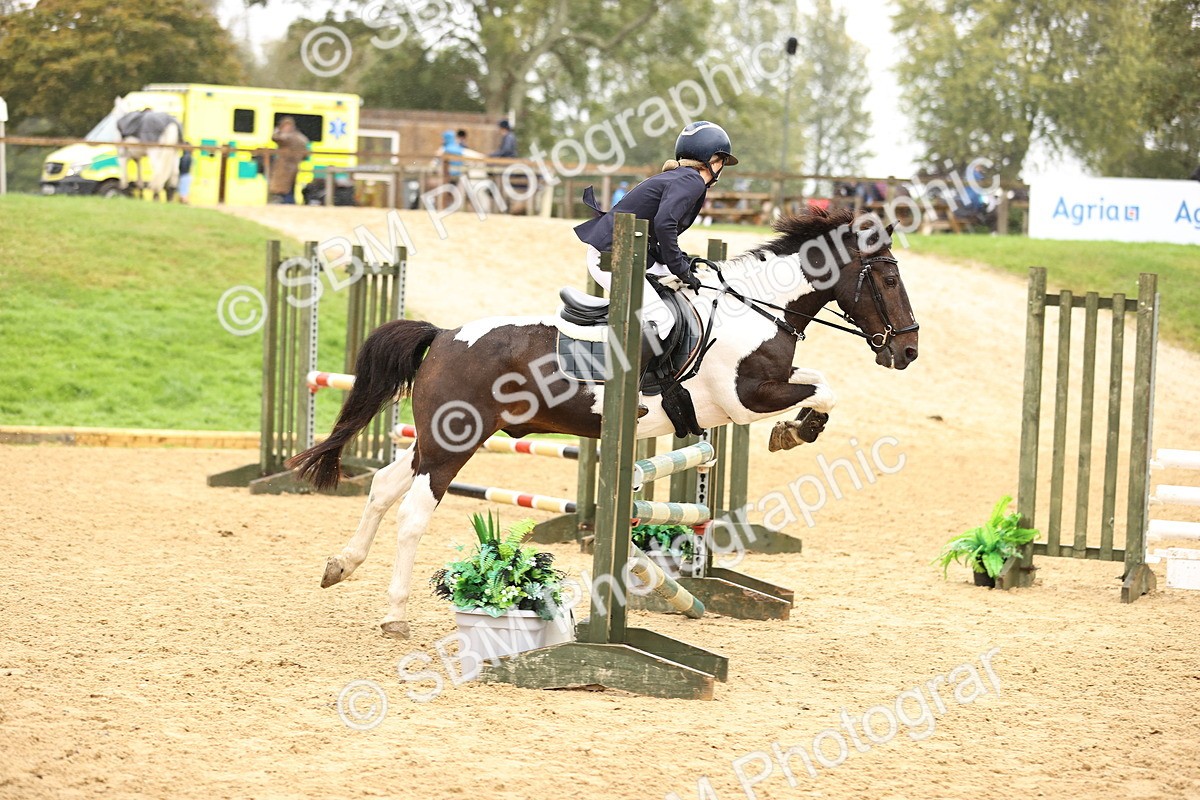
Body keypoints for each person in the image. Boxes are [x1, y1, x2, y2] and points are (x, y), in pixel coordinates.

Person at [575, 120, 737, 349]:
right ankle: (640, 382)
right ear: (714, 161)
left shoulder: (681, 177)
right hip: (613, 257)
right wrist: (680, 268)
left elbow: (657, 233)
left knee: (681, 287)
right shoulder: (692, 181)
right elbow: (664, 224)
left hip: (625, 253)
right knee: (662, 319)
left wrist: (683, 261)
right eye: (722, 162)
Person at [268, 116, 309, 204]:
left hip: (284, 166)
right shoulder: (300, 137)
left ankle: (286, 203)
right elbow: (306, 153)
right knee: (290, 188)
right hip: (293, 166)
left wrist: (277, 131)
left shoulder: (288, 137)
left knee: (283, 190)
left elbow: (275, 138)